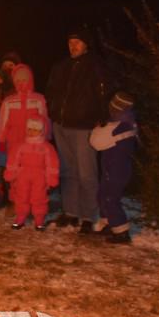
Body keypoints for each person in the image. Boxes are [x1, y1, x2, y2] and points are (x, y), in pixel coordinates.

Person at [45, 32, 112, 232]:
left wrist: (100, 118)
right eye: (70, 42)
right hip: (61, 125)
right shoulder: (61, 66)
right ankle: (71, 213)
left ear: (86, 45)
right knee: (68, 172)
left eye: (77, 42)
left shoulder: (95, 65)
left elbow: (104, 92)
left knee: (86, 173)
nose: (73, 46)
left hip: (84, 126)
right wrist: (53, 111)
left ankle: (87, 217)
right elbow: (51, 90)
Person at [90, 92, 138, 244]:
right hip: (113, 169)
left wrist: (97, 129)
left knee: (110, 198)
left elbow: (96, 142)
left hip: (116, 170)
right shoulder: (124, 123)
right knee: (103, 195)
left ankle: (121, 232)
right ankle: (109, 224)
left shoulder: (119, 127)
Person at [5, 116, 59, 230]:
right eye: (29, 129)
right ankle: (20, 218)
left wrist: (51, 177)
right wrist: (11, 173)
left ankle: (39, 220)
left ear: (41, 131)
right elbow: (13, 160)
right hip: (23, 175)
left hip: (39, 176)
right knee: (21, 196)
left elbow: (52, 164)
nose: (31, 132)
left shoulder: (46, 147)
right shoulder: (21, 146)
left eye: (35, 130)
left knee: (39, 198)